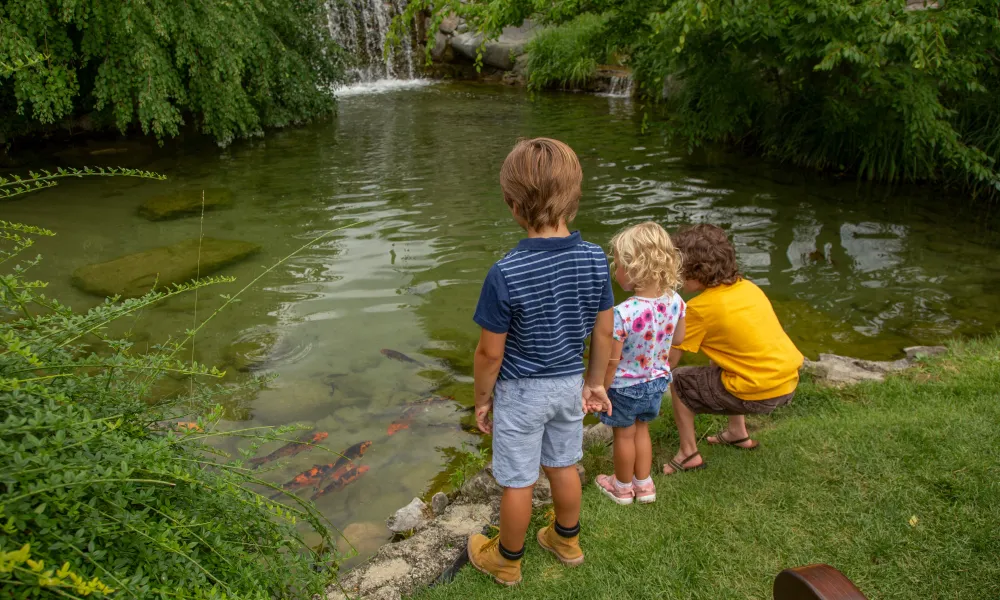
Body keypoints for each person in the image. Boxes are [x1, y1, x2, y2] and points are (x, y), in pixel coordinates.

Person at [468, 137, 615, 586]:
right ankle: (565, 540)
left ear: (512, 205)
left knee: (518, 480)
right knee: (563, 465)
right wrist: (595, 383)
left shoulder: (506, 272)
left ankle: (507, 560)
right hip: (570, 383)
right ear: (575, 196)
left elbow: (490, 352)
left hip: (521, 392)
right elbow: (604, 332)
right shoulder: (594, 259)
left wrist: (481, 399)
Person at [664, 224, 804, 475]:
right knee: (717, 358)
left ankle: (688, 454)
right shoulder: (748, 288)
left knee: (679, 381)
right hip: (787, 382)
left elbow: (670, 362)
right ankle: (737, 433)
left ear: (694, 271)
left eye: (678, 269)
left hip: (760, 392)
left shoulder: (699, 309)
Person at [594, 222, 685, 505]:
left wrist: (600, 389)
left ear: (634, 269)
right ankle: (644, 485)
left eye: (619, 265)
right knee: (642, 429)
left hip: (625, 386)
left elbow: (612, 361)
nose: (615, 271)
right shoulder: (676, 301)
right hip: (656, 381)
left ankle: (621, 487)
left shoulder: (623, 313)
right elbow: (678, 340)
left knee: (624, 435)